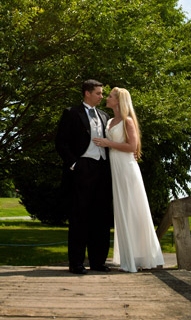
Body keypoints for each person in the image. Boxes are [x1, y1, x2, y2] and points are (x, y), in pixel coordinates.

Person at [93, 87, 164, 272]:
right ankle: (128, 256)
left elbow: (132, 146)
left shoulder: (127, 121)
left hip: (127, 169)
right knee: (121, 210)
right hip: (115, 170)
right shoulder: (109, 121)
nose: (106, 98)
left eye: (109, 96)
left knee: (132, 209)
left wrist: (108, 143)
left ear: (118, 101)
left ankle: (139, 257)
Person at [55, 79, 113, 274]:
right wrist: (74, 164)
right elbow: (61, 142)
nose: (102, 96)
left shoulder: (105, 116)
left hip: (103, 170)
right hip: (82, 169)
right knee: (80, 217)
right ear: (87, 93)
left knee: (102, 218)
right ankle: (77, 264)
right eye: (98, 93)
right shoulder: (71, 113)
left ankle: (98, 262)